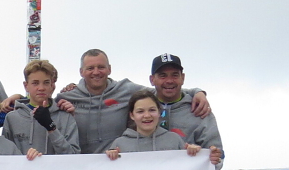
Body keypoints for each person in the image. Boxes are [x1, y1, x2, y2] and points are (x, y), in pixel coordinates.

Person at [57, 49, 210, 154]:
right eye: (90, 68)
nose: (96, 72)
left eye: (101, 67)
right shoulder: (68, 97)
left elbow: (162, 89)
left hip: (116, 164)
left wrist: (197, 92)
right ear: (81, 72)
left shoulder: (126, 89)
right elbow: (47, 107)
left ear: (109, 69)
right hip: (81, 168)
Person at [2, 59, 80, 155]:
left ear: (52, 85)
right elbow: (5, 155)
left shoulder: (65, 117)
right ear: (26, 86)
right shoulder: (12, 118)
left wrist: (51, 128)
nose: (41, 88)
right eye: (35, 83)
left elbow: (73, 155)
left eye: (46, 82)